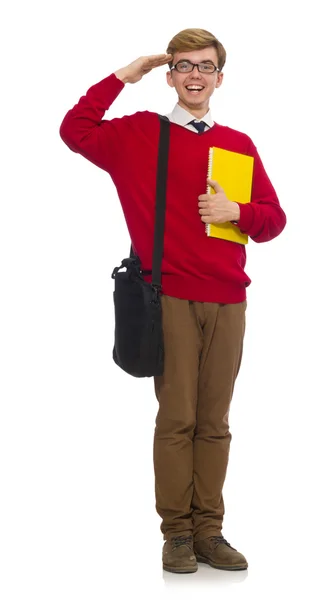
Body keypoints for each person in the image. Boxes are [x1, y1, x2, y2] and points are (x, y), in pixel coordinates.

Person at [60, 28, 286, 574]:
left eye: (205, 66)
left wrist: (239, 214)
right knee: (178, 418)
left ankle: (210, 530)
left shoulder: (239, 143)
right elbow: (75, 130)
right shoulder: (141, 135)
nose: (194, 75)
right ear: (169, 75)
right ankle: (177, 534)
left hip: (229, 299)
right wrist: (123, 76)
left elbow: (274, 221)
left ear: (219, 78)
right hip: (172, 297)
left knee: (216, 421)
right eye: (184, 66)